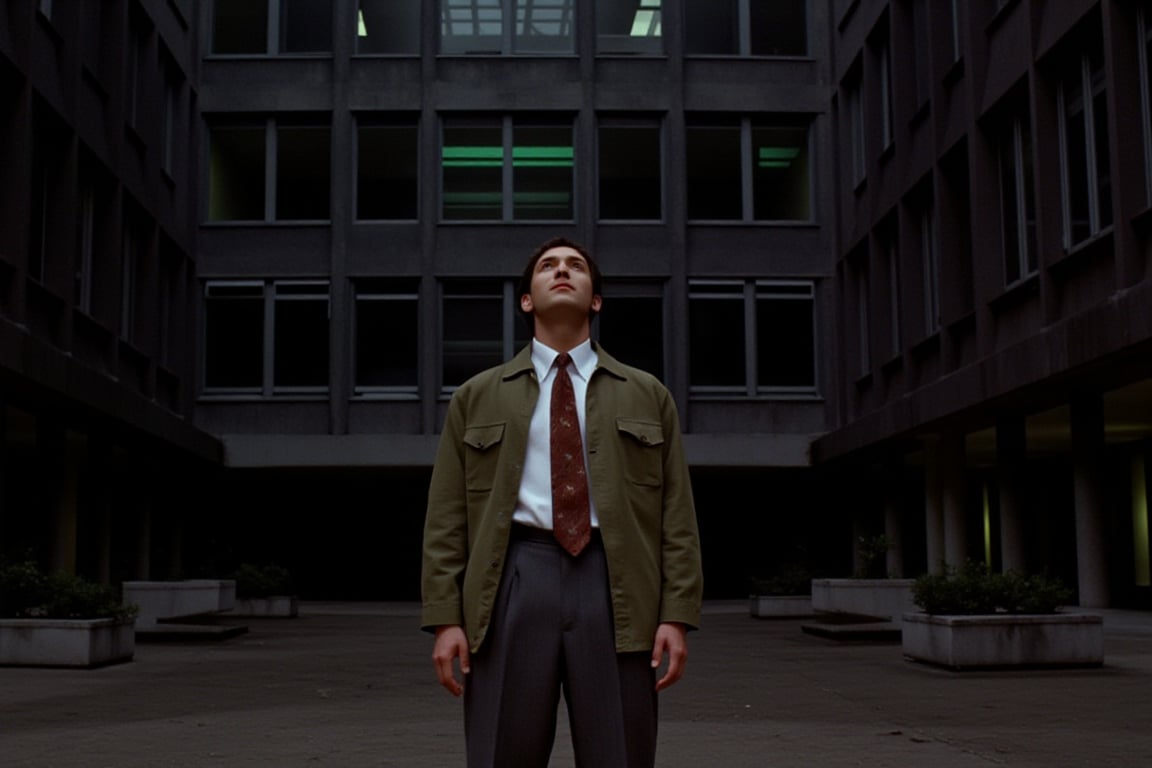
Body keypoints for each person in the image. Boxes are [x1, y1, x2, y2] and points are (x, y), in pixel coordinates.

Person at [421, 236, 703, 768]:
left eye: (576, 265)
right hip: (514, 578)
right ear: (527, 299)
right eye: (548, 266)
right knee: (502, 750)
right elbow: (446, 517)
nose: (562, 271)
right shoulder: (478, 396)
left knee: (620, 751)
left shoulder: (647, 394)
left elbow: (677, 517)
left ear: (595, 299)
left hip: (616, 583)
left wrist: (677, 615)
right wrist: (445, 619)